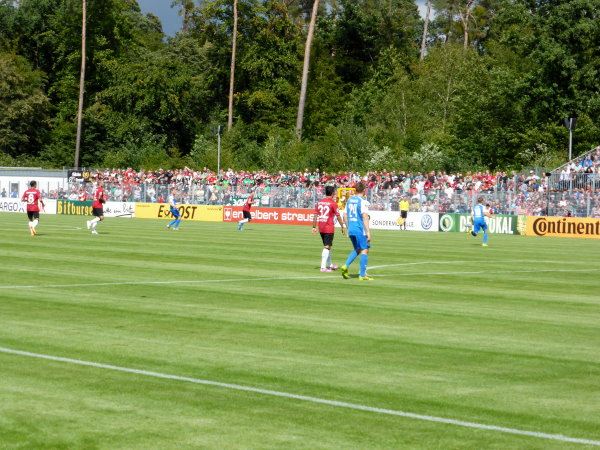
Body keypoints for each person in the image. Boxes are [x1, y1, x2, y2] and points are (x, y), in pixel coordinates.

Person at [341, 181, 372, 280]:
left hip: (352, 228)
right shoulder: (363, 201)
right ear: (364, 190)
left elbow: (344, 215)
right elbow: (365, 216)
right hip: (360, 229)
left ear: (355, 190)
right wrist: (368, 232)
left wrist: (348, 228)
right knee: (364, 250)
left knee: (357, 249)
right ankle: (362, 275)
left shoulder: (350, 200)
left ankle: (345, 266)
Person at [312, 185, 345, 272]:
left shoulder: (319, 202)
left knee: (328, 246)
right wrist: (342, 226)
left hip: (321, 227)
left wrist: (314, 227)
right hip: (329, 227)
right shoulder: (333, 203)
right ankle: (323, 267)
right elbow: (338, 216)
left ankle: (330, 265)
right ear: (333, 193)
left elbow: (315, 215)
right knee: (326, 246)